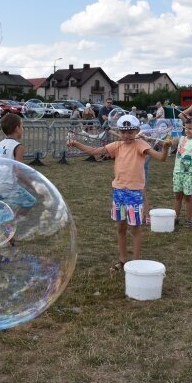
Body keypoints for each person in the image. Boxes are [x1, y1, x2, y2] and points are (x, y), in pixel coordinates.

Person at [67, 114, 171, 272]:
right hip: (119, 192)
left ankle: (136, 263)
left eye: (130, 132)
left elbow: (161, 158)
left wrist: (165, 148)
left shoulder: (140, 145)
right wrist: (76, 144)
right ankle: (123, 260)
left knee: (135, 229)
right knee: (120, 227)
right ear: (119, 132)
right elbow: (95, 151)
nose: (126, 135)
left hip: (134, 193)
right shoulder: (116, 146)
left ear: (137, 131)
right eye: (123, 132)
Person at [0, 113, 36, 264]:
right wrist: (33, 185)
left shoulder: (1, 144)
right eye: (22, 126)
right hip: (8, 187)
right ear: (16, 128)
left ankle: (8, 228)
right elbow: (18, 170)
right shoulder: (18, 146)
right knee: (29, 201)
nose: (23, 129)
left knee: (3, 218)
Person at [172, 119, 192, 228]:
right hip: (177, 172)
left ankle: (188, 220)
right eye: (186, 128)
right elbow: (171, 142)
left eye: (190, 128)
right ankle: (175, 217)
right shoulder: (181, 139)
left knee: (188, 197)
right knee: (177, 196)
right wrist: (166, 142)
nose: (187, 130)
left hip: (189, 174)